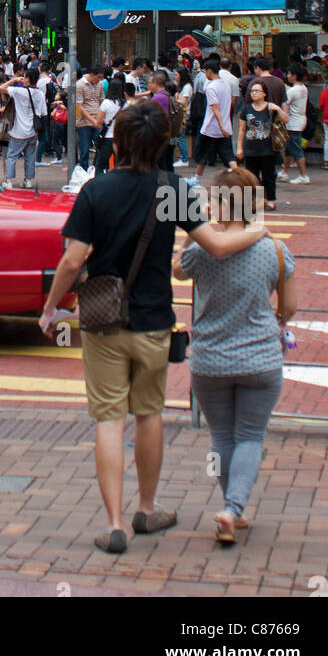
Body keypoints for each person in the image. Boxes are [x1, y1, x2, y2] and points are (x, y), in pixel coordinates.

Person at [40, 101, 269, 554]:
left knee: (108, 417)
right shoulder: (173, 190)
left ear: (118, 141)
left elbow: (71, 259)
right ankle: (147, 507)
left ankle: (114, 524)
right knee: (149, 413)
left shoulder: (96, 191)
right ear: (163, 143)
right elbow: (217, 246)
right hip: (153, 321)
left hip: (104, 322)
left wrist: (51, 310)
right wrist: (259, 231)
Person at [174, 168, 296, 544]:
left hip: (211, 358)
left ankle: (231, 506)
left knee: (222, 436)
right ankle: (233, 509)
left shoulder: (202, 249)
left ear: (220, 205)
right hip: (260, 358)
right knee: (250, 436)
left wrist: (195, 230)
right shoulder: (274, 249)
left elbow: (177, 270)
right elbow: (289, 308)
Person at [236, 80, 288, 212]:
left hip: (267, 149)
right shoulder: (246, 109)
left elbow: (286, 119)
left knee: (268, 177)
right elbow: (242, 130)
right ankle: (256, 201)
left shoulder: (270, 108)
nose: (253, 93)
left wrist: (277, 108)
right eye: (252, 91)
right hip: (251, 149)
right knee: (252, 178)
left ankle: (270, 200)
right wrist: (239, 147)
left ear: (264, 93)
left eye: (257, 91)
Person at [0, 65, 46, 189]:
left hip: (19, 131)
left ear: (28, 79)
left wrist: (14, 80)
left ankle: (8, 181)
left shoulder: (19, 91)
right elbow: (43, 113)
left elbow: (1, 88)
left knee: (12, 156)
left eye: (24, 77)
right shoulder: (40, 94)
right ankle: (28, 180)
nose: (23, 79)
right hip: (33, 131)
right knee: (30, 157)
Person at [193, 56, 235, 189]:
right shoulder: (226, 85)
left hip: (211, 128)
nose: (205, 74)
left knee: (202, 155)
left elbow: (215, 108)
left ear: (210, 71)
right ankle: (239, 177)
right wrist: (224, 127)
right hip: (226, 127)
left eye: (205, 71)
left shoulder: (211, 87)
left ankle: (197, 179)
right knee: (228, 156)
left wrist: (220, 125)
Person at [94, 77, 125, 174]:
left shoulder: (106, 103)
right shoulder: (125, 104)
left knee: (100, 164)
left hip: (107, 138)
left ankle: (99, 185)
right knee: (118, 165)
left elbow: (98, 123)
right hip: (120, 138)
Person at [76, 67, 103, 168]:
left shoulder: (99, 84)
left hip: (97, 119)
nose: (99, 80)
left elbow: (101, 101)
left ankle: (95, 168)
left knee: (101, 145)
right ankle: (84, 170)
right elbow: (79, 106)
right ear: (91, 74)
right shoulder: (79, 85)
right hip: (83, 122)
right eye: (98, 77)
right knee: (85, 149)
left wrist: (100, 119)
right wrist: (92, 120)